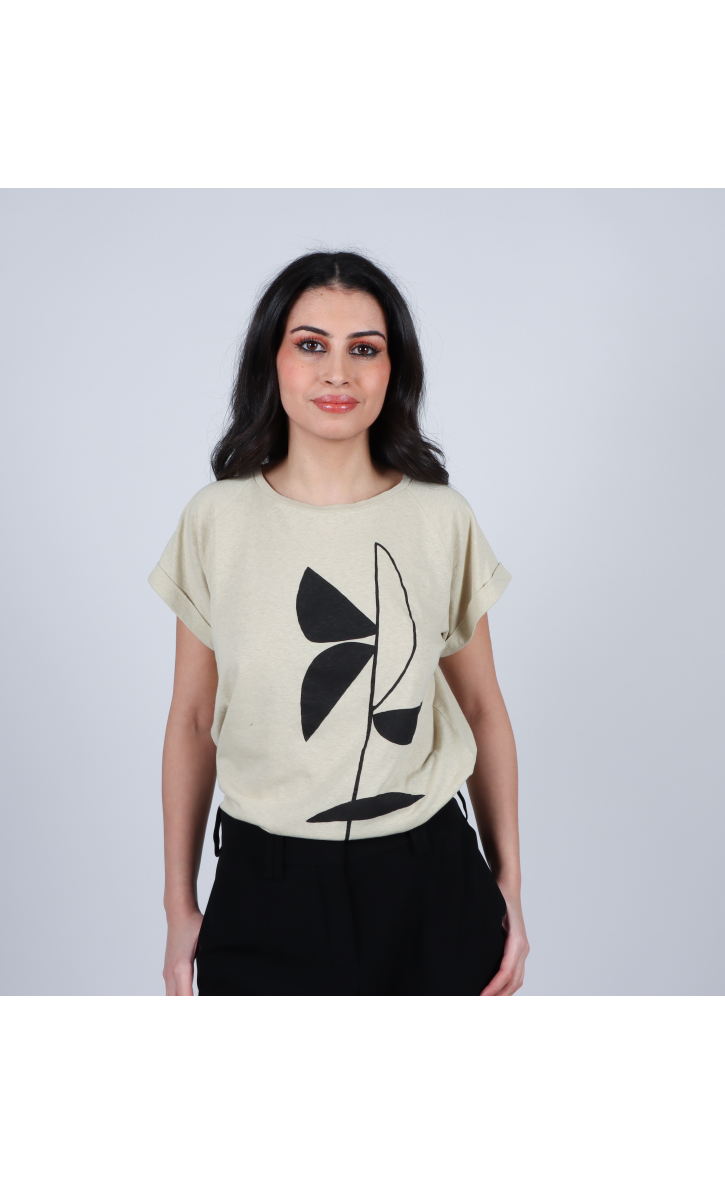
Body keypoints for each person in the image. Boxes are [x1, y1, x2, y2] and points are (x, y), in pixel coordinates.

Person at [149, 251, 530, 996]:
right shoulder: (216, 519)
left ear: (393, 369)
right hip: (265, 887)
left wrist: (510, 886)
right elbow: (192, 720)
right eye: (311, 344)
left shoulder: (440, 517)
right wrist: (178, 904)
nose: (337, 373)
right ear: (272, 360)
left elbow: (483, 707)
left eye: (364, 348)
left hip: (429, 884)